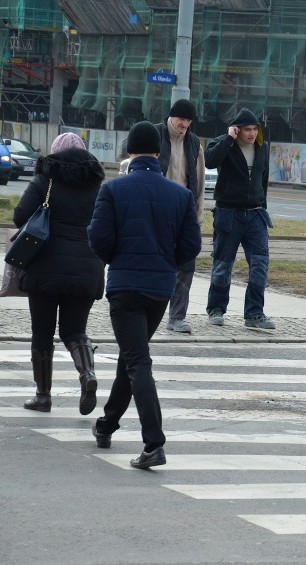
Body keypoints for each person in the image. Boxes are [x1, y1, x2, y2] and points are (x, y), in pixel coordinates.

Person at [88, 121, 201, 469]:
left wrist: (117, 259)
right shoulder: (180, 195)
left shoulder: (113, 189)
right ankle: (106, 424)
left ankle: (154, 442)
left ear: (130, 152)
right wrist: (165, 261)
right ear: (157, 153)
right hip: (159, 290)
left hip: (124, 289)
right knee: (131, 357)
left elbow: (98, 240)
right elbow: (191, 247)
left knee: (137, 361)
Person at [12, 133, 105, 415]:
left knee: (42, 332)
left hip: (45, 268)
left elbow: (19, 216)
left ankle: (43, 396)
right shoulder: (98, 184)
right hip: (86, 268)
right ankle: (87, 374)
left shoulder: (45, 180)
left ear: (54, 153)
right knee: (74, 330)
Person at [204, 108, 275, 329]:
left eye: (255, 129)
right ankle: (216, 309)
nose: (252, 134)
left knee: (260, 265)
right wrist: (229, 138)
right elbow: (209, 161)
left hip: (255, 214)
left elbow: (262, 181)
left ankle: (254, 314)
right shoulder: (224, 143)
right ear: (237, 129)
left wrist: (263, 207)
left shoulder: (262, 148)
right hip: (228, 213)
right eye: (247, 129)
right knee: (223, 265)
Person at [155, 99, 206, 334]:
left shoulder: (195, 144)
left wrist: (198, 217)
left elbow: (199, 182)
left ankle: (177, 317)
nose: (184, 124)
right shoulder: (155, 134)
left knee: (186, 265)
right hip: (156, 211)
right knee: (155, 264)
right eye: (181, 119)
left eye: (188, 120)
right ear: (171, 117)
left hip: (184, 214)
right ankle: (148, 311)